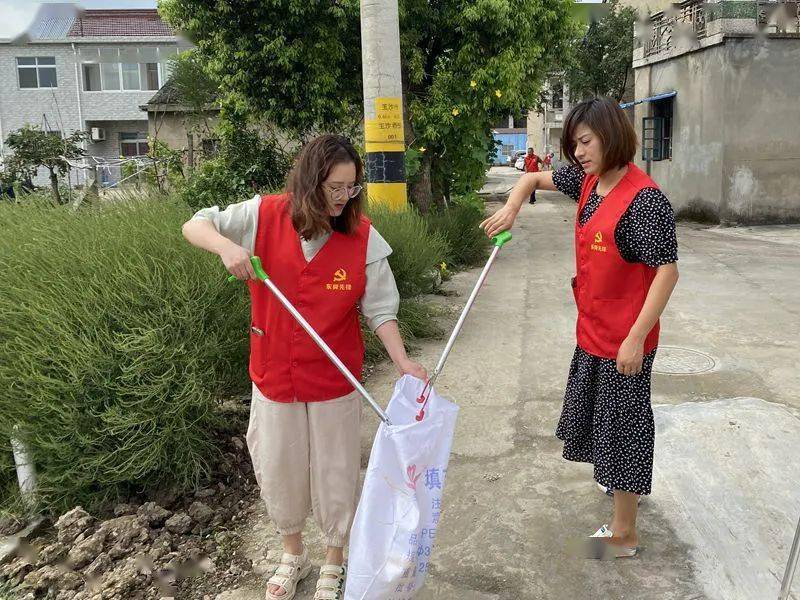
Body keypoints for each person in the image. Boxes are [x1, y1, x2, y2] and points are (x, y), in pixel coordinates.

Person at [182, 134, 427, 599]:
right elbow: (195, 224)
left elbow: (381, 309)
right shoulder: (262, 215)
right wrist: (226, 249)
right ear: (310, 182)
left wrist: (402, 361)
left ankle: (336, 556)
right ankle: (292, 552)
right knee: (280, 464)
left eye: (352, 187)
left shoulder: (362, 237)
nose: (343, 197)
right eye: (335, 187)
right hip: (274, 372)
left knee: (335, 469)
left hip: (334, 376)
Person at [480, 97, 679, 558]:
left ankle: (624, 534)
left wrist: (634, 339)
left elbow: (666, 273)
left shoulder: (644, 201)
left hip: (625, 339)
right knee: (602, 423)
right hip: (593, 329)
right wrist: (512, 208)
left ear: (611, 135)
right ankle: (619, 492)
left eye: (585, 142)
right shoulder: (590, 182)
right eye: (574, 144)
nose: (578, 152)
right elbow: (530, 177)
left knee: (623, 427)